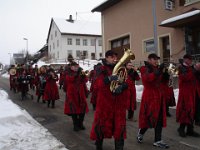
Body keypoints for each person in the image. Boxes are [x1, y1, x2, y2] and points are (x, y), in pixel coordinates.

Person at [90, 50, 129, 150]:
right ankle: (98, 146)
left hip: (118, 103)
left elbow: (126, 81)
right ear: (107, 57)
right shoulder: (100, 68)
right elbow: (97, 84)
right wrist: (108, 79)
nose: (115, 59)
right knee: (102, 127)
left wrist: (123, 86)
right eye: (112, 57)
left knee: (119, 128)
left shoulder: (121, 68)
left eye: (115, 57)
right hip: (105, 103)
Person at [137, 53, 169, 149]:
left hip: (159, 96)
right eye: (154, 59)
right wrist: (159, 71)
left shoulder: (157, 68)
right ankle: (141, 132)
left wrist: (165, 75)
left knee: (159, 118)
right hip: (149, 96)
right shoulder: (144, 68)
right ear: (149, 60)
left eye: (157, 59)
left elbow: (162, 82)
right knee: (149, 118)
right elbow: (148, 79)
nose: (156, 61)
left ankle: (157, 140)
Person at [176, 54, 199, 137]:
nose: (191, 61)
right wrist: (195, 70)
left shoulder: (191, 67)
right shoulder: (181, 68)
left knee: (192, 111)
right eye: (189, 59)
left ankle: (190, 129)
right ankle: (181, 129)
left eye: (191, 59)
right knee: (185, 111)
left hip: (193, 92)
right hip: (185, 93)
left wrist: (197, 70)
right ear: (185, 59)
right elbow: (185, 78)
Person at [64, 62, 89, 131]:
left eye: (77, 67)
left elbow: (85, 81)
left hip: (81, 93)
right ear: (71, 67)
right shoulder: (68, 72)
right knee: (73, 111)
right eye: (74, 67)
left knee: (82, 110)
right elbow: (69, 80)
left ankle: (80, 123)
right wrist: (76, 75)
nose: (76, 68)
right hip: (72, 94)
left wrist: (84, 76)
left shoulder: (80, 72)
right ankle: (75, 125)